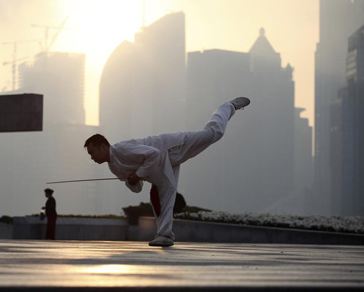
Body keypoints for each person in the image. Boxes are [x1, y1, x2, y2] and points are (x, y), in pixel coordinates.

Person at [84, 97, 250, 247]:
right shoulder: (113, 167)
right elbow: (137, 187)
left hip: (171, 147)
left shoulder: (123, 149)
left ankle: (228, 106)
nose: (92, 157)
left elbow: (154, 154)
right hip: (161, 165)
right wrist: (132, 181)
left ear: (103, 146)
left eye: (92, 152)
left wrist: (138, 174)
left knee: (214, 133)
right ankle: (164, 235)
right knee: (160, 196)